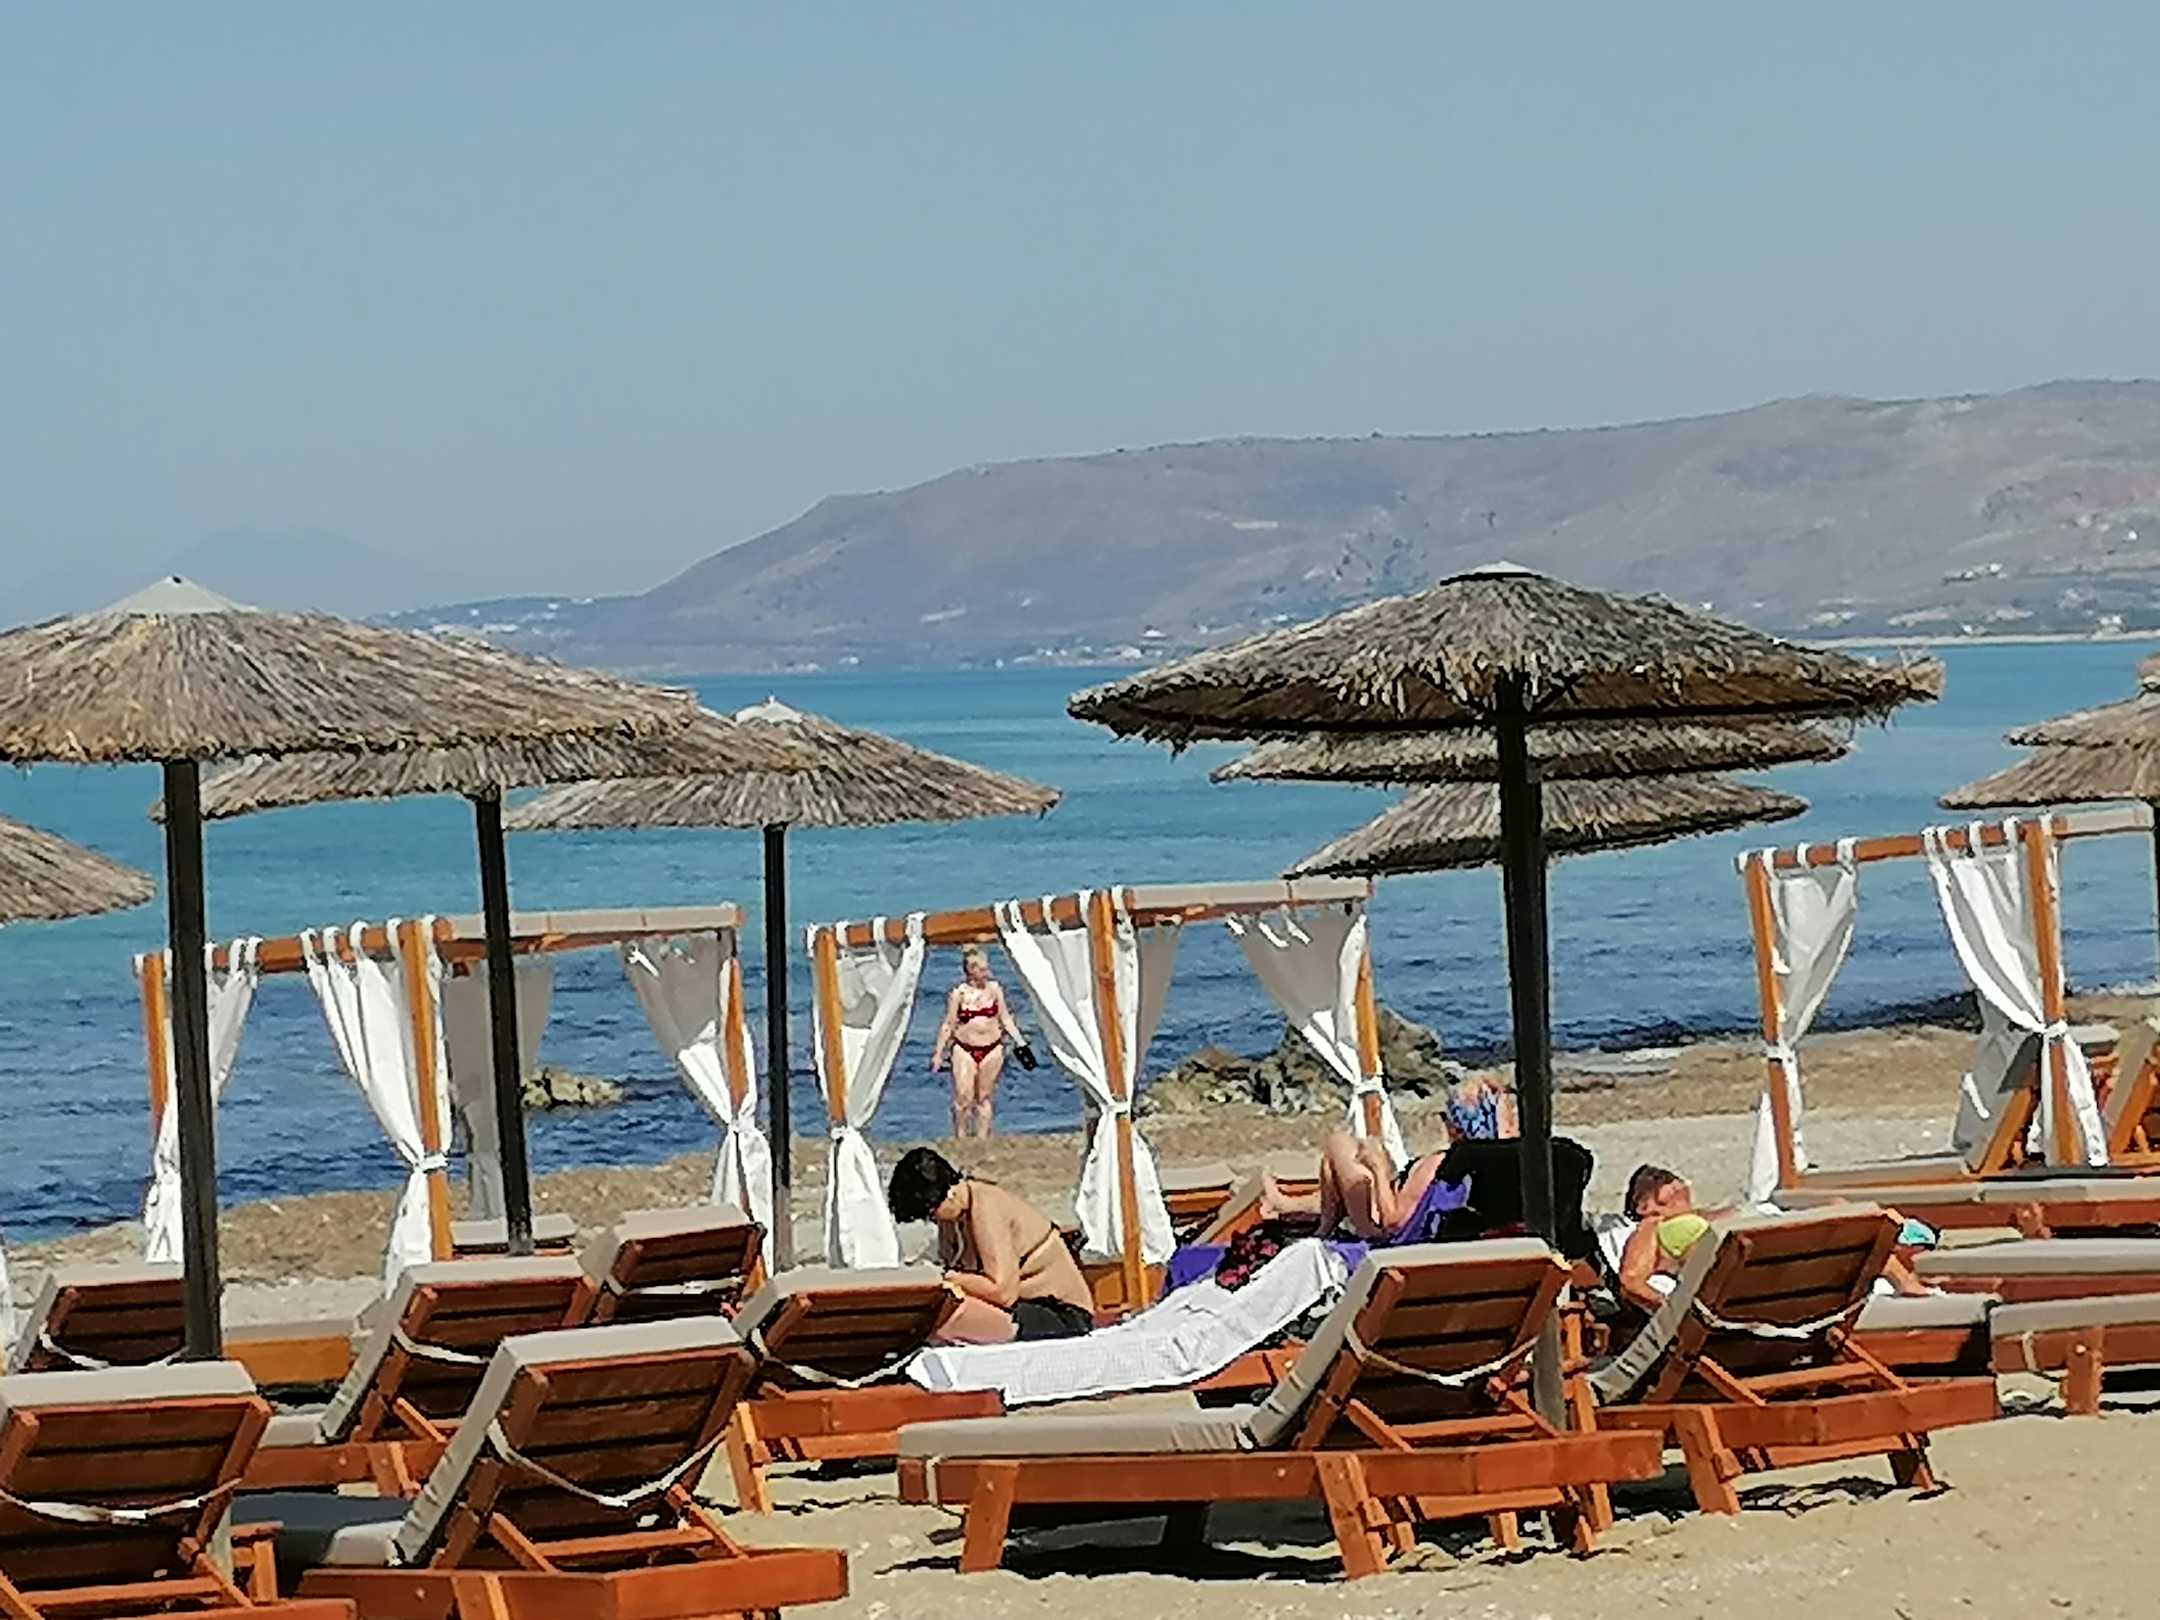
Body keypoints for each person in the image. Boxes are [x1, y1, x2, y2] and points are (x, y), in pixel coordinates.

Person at [1615, 1163, 1931, 1313]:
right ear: (1643, 1205)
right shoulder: (1651, 1226)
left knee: (1843, 1211)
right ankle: (1909, 1276)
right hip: (1754, 1267)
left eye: (1673, 1177)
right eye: (1662, 1181)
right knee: (1848, 1222)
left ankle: (1907, 1270)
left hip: (1772, 1256)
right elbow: (1631, 1280)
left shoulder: (1700, 1216)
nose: (1677, 1183)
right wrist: (1674, 1312)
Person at [887, 1146, 1096, 1344]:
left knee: (950, 1318)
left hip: (1060, 1312)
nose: (932, 1221)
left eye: (930, 1213)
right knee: (927, 1315)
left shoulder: (986, 1207)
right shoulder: (955, 1216)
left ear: (948, 1193)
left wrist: (946, 1277)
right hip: (1022, 1307)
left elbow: (1002, 1292)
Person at [932, 946, 1027, 1139]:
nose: (987, 972)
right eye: (982, 969)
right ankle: (960, 1136)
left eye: (986, 968)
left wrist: (1020, 1042)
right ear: (971, 970)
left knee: (984, 1096)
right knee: (963, 1096)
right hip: (964, 1048)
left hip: (992, 1048)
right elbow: (948, 1024)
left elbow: (1005, 1018)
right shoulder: (959, 994)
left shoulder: (994, 989)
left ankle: (982, 1139)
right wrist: (938, 1053)